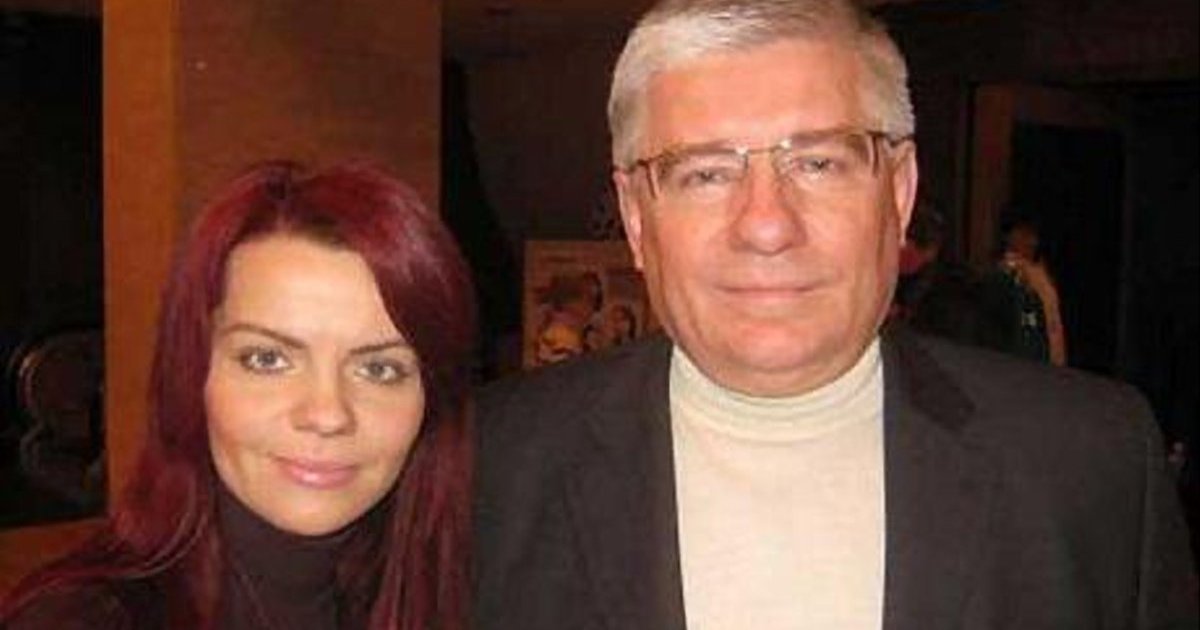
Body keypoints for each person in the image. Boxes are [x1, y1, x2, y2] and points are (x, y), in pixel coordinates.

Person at [472, 1, 1197, 629]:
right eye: (706, 173)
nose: (766, 225)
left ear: (900, 192)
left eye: (818, 163)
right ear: (636, 216)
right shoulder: (480, 473)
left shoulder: (1092, 466)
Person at [0, 162, 476, 629]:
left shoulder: (457, 591)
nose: (328, 414)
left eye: (378, 368)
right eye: (268, 359)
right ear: (192, 375)